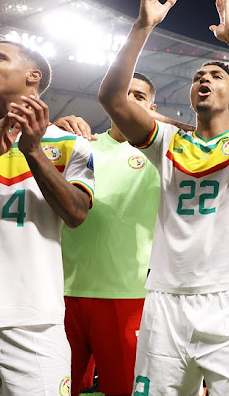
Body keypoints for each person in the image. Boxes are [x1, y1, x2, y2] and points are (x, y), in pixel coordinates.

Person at [97, 0, 229, 395]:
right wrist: (142, 26)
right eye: (196, 78)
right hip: (166, 299)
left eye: (215, 76)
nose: (203, 79)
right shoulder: (164, 141)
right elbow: (112, 98)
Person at [0, 41, 94, 395]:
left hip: (37, 321)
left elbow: (75, 214)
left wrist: (33, 151)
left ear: (33, 76)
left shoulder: (72, 145)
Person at [54, 73, 163, 396]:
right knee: (48, 387)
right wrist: (52, 131)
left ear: (152, 108)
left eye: (138, 97)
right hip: (61, 291)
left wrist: (151, 121)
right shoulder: (80, 143)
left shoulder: (162, 153)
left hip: (126, 297)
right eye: (122, 93)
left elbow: (205, 133)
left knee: (126, 390)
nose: (127, 101)